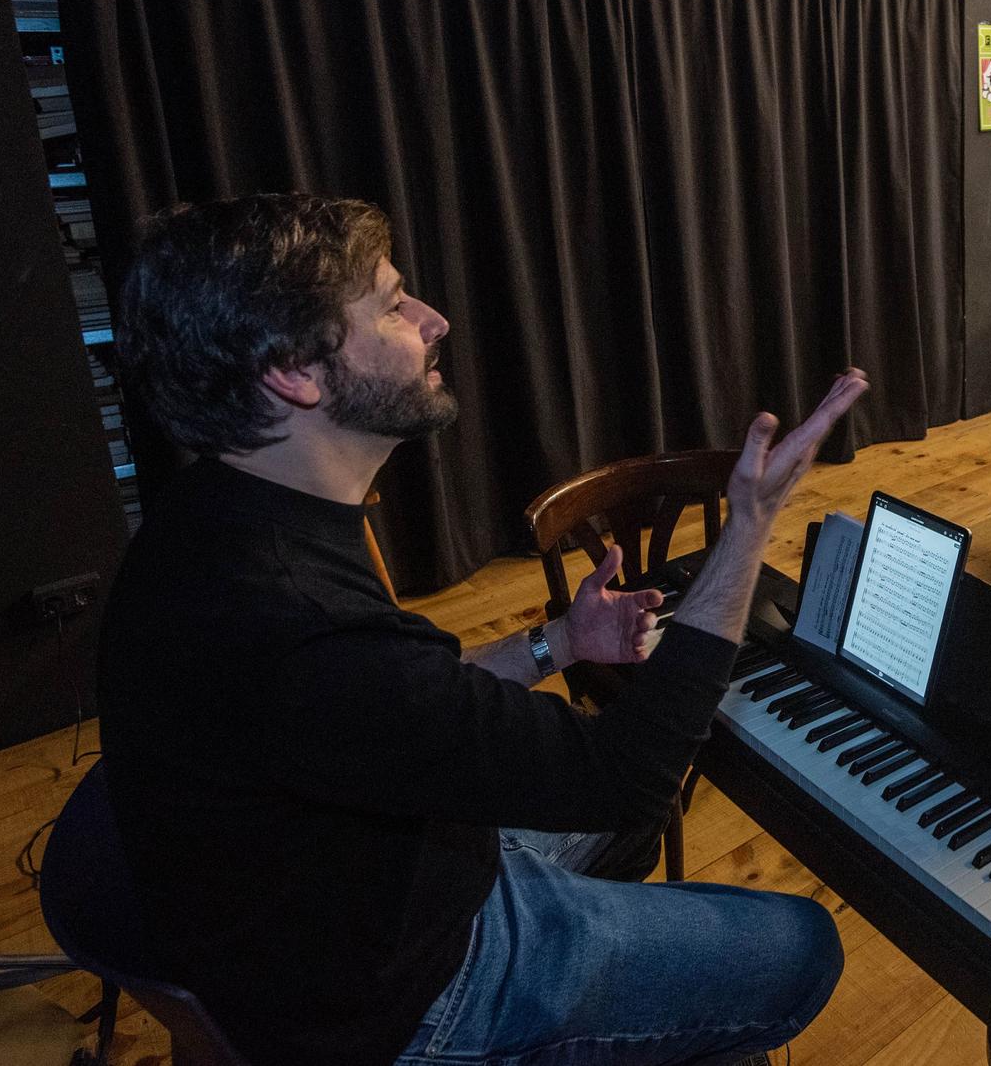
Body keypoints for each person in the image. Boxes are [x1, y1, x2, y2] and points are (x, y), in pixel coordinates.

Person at [100, 194, 864, 1066]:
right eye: (390, 306)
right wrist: (748, 528)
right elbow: (625, 778)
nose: (434, 320)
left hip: (353, 885)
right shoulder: (296, 623)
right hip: (399, 997)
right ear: (292, 370)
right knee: (802, 944)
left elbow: (398, 711)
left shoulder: (218, 512)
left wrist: (563, 643)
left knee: (632, 849)